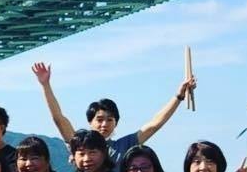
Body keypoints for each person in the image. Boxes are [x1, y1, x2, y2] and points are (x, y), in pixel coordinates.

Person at [31, 60, 195, 163]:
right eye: (99, 119)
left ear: (116, 123)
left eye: (110, 120)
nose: (104, 124)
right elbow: (59, 119)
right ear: (90, 122)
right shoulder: (79, 144)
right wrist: (45, 85)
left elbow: (154, 125)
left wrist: (179, 96)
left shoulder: (124, 145)